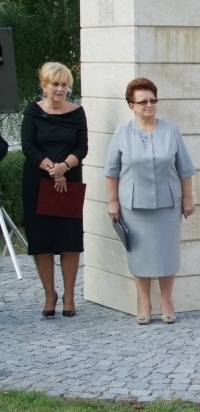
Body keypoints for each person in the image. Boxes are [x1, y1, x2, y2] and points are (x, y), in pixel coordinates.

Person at [104, 78, 196, 325]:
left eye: (153, 100)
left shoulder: (171, 130)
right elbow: (111, 171)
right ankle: (144, 302)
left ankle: (167, 301)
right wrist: (112, 202)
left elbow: (185, 169)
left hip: (168, 204)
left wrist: (188, 198)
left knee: (167, 254)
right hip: (134, 206)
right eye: (142, 101)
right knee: (139, 256)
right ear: (131, 105)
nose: (149, 105)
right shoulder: (122, 132)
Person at [21, 62, 88, 317]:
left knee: (69, 239)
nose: (59, 89)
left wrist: (63, 168)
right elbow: (28, 147)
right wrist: (53, 169)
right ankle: (50, 295)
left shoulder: (77, 113)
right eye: (54, 84)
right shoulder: (33, 111)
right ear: (44, 85)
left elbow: (82, 148)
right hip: (38, 181)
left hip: (69, 180)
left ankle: (70, 296)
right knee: (42, 240)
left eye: (64, 85)